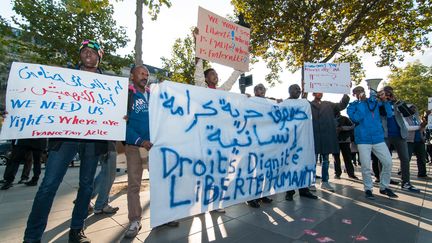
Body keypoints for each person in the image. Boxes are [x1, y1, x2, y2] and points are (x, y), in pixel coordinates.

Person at [23, 40, 108, 243]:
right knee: (49, 185)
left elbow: (112, 112)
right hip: (65, 138)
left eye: (92, 51)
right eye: (84, 51)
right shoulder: (63, 77)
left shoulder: (108, 85)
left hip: (92, 140)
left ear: (99, 56)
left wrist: (119, 119)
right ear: (80, 56)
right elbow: (40, 100)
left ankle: (76, 230)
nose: (88, 54)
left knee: (86, 187)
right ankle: (32, 237)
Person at [124, 65, 178, 239]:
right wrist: (140, 141)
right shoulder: (127, 96)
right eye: (141, 73)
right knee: (134, 185)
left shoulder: (154, 95)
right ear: (132, 76)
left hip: (154, 147)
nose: (144, 76)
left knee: (159, 182)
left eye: (147, 74)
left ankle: (162, 217)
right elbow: (122, 124)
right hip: (134, 146)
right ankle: (134, 220)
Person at [347, 86, 398, 199]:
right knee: (365, 166)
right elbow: (357, 118)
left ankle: (384, 187)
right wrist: (361, 103)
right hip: (363, 139)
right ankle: (368, 189)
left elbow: (389, 114)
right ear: (354, 94)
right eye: (357, 92)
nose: (361, 93)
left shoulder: (374, 102)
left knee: (388, 162)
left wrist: (384, 100)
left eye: (362, 91)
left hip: (378, 138)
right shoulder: (352, 106)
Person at [378, 86, 420, 192]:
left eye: (390, 92)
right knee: (383, 159)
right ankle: (383, 180)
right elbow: (381, 112)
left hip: (400, 134)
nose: (388, 94)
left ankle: (406, 182)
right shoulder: (379, 104)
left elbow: (408, 114)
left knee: (405, 158)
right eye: (386, 92)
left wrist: (396, 101)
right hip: (385, 135)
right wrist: (383, 100)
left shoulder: (397, 103)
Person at [310, 92, 350, 192]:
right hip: (314, 137)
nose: (320, 93)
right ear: (313, 93)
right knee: (312, 162)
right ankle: (311, 183)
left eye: (321, 91)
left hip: (326, 137)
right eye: (317, 91)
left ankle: (325, 182)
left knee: (326, 161)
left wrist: (345, 92)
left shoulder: (328, 104)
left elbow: (341, 105)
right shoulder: (308, 105)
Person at [285, 84, 318, 201]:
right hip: (289, 142)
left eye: (300, 89)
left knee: (303, 164)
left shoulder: (304, 104)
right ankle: (289, 192)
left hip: (302, 141)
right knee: (290, 167)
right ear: (290, 91)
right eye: (296, 89)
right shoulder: (284, 104)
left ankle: (304, 190)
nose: (298, 91)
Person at [245, 84, 274, 208]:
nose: (262, 91)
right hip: (254, 143)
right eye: (259, 89)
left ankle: (262, 194)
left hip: (266, 144)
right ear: (255, 91)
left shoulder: (269, 103)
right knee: (254, 172)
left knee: (264, 171)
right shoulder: (250, 102)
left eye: (263, 89)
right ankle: (251, 197)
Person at [91, 141, 119, 214]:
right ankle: (101, 205)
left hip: (105, 146)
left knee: (104, 174)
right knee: (109, 176)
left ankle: (85, 199)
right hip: (108, 147)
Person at [332, 111, 358, 180]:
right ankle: (337, 173)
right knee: (336, 159)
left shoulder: (345, 118)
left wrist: (342, 128)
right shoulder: (330, 119)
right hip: (334, 141)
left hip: (345, 140)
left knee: (347, 158)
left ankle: (351, 173)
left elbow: (352, 126)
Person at [406, 105, 428, 178]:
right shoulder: (405, 118)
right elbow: (408, 128)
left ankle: (422, 173)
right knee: (407, 158)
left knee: (422, 158)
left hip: (419, 140)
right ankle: (403, 172)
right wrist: (420, 126)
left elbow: (421, 128)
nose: (414, 110)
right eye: (412, 109)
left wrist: (423, 135)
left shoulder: (416, 117)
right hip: (409, 141)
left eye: (415, 108)